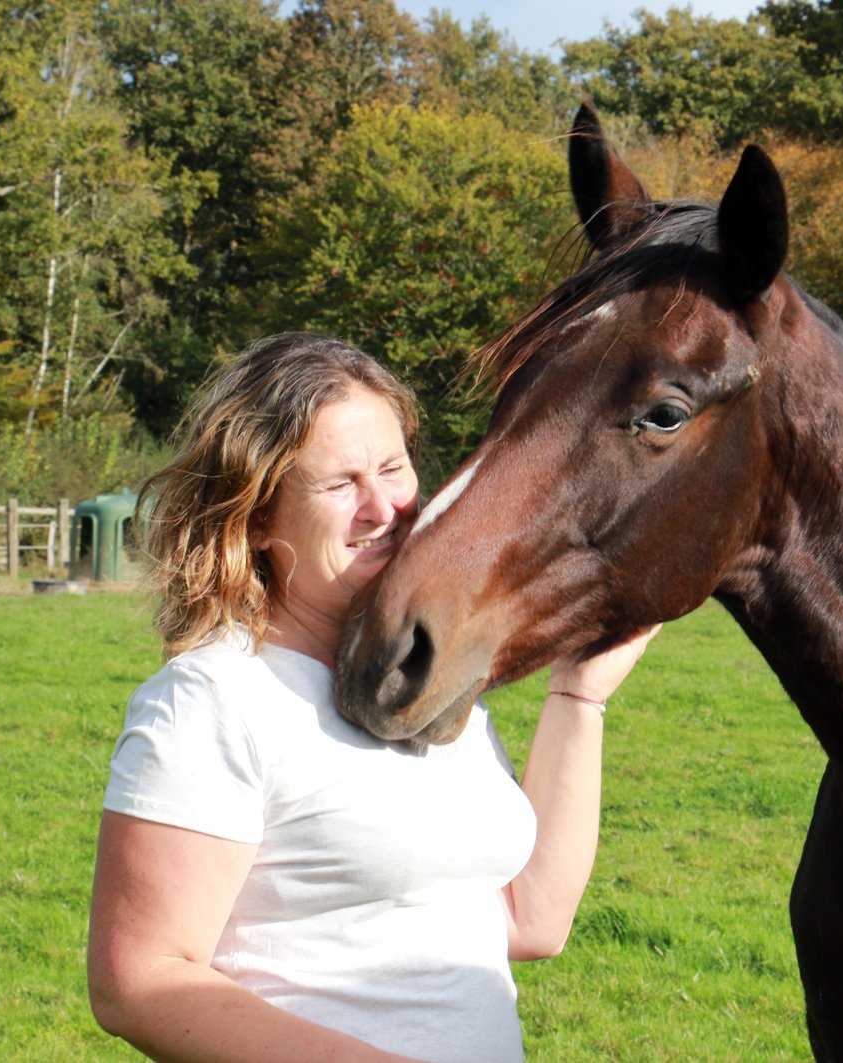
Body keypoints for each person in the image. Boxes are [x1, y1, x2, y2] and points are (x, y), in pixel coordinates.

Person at [86, 333, 658, 1063]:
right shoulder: (214, 698)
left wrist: (578, 692)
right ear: (256, 518)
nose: (383, 506)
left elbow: (530, 919)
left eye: (392, 468)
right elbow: (138, 980)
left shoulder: (420, 680)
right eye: (340, 484)